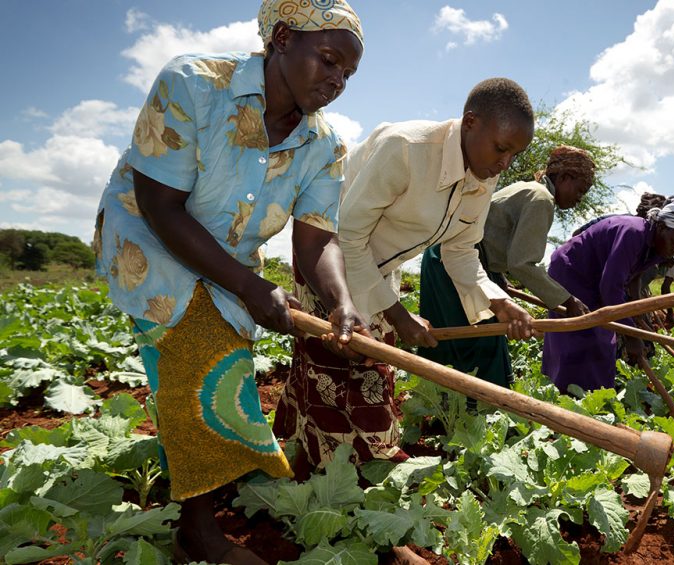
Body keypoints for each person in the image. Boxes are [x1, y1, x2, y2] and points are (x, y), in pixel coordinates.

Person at [92, 1, 364, 562]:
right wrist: (245, 285)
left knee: (215, 365)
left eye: (347, 73)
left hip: (231, 260)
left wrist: (340, 300)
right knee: (202, 355)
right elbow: (161, 206)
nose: (337, 80)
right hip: (150, 236)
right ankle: (197, 529)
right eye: (330, 60)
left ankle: (200, 480)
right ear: (283, 38)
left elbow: (317, 241)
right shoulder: (192, 84)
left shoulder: (324, 145)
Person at [273, 78, 536, 469]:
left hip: (381, 271)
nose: (504, 164)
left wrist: (499, 302)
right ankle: (342, 471)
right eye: (501, 149)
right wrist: (399, 316)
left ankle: (322, 456)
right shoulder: (406, 148)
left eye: (514, 155)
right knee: (343, 365)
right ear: (470, 123)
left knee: (363, 368)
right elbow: (348, 236)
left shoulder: (484, 175)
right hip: (329, 258)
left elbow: (460, 249)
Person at [417, 145, 594, 389]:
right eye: (580, 190)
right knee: (484, 340)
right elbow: (521, 263)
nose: (579, 199)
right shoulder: (541, 199)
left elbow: (494, 236)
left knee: (442, 340)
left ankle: (436, 412)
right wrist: (567, 300)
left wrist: (497, 279)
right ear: (564, 178)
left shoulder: (529, 190)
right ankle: (479, 412)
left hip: (442, 257)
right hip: (458, 261)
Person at [541, 198, 674, 393]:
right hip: (573, 272)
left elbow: (635, 278)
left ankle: (594, 394)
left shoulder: (659, 246)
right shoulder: (633, 233)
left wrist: (637, 312)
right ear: (661, 226)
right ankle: (564, 392)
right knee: (582, 336)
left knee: (601, 340)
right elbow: (610, 288)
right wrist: (631, 335)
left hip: (595, 278)